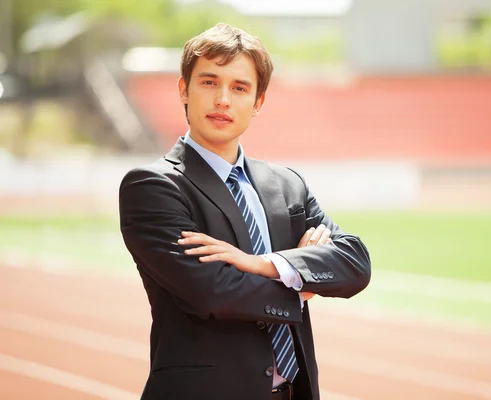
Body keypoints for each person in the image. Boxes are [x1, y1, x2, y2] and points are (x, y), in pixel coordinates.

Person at [119, 23, 371, 400]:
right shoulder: (154, 187)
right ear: (184, 90)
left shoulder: (288, 185)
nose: (223, 99)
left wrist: (264, 264)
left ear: (258, 102)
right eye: (209, 82)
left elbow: (354, 263)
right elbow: (213, 292)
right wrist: (303, 284)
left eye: (239, 87)